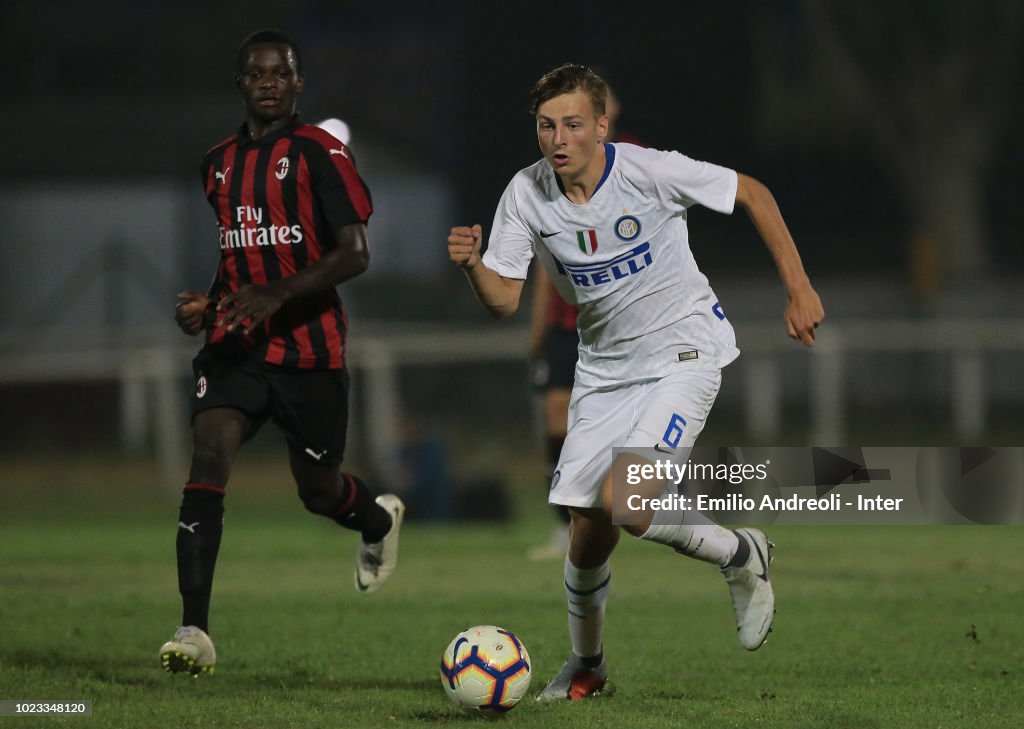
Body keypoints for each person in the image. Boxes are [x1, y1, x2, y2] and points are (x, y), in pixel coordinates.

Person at [447, 63, 824, 700]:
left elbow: (752, 192)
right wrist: (471, 266)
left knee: (631, 501)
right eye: (546, 126)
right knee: (588, 530)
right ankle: (587, 665)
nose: (558, 138)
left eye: (572, 124)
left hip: (684, 351)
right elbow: (504, 300)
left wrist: (800, 287)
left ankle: (740, 555)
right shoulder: (526, 193)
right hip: (603, 370)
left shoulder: (647, 170)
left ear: (600, 126)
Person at [159, 29, 405, 677]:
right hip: (236, 346)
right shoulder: (216, 163)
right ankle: (194, 629)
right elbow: (238, 259)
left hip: (309, 351)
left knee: (320, 491)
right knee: (208, 457)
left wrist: (277, 292)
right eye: (256, 73)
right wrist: (209, 308)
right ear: (239, 82)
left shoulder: (321, 152)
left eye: (281, 73)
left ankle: (377, 521)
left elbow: (355, 253)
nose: (268, 82)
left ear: (298, 83)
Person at [526, 85, 641, 561]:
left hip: (613, 325)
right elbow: (544, 261)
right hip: (563, 324)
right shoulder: (551, 174)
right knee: (557, 419)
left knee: (617, 427)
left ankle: (617, 507)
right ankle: (566, 524)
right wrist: (535, 333)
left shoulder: (634, 161)